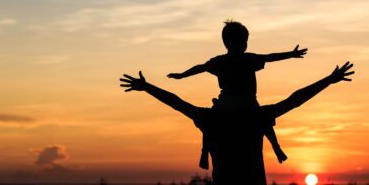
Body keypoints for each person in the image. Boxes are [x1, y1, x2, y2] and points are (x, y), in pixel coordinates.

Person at [120, 62, 354, 184]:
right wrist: (329, 80)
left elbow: (176, 102)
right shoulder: (255, 116)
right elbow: (295, 100)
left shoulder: (211, 118)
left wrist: (147, 87)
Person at [168, 21, 308, 165]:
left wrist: (182, 75)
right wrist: (290, 54)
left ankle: (204, 152)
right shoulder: (248, 59)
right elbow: (270, 57)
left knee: (209, 122)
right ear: (236, 42)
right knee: (263, 119)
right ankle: (276, 147)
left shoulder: (219, 61)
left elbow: (200, 67)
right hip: (247, 101)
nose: (245, 44)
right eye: (244, 40)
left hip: (225, 102)